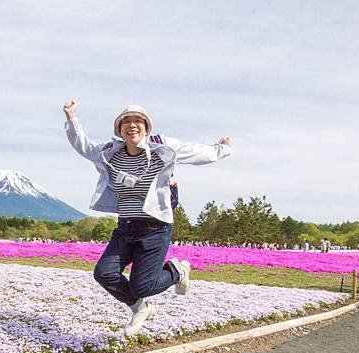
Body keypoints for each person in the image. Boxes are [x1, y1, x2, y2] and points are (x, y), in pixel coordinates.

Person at [63, 100, 232, 336]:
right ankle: (140, 307)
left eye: (137, 121)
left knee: (142, 285)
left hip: (155, 228)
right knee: (104, 273)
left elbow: (195, 151)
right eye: (126, 122)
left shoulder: (162, 146)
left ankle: (177, 271)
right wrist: (72, 120)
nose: (132, 126)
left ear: (146, 127)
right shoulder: (110, 152)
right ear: (119, 129)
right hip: (126, 227)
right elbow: (83, 146)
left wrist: (221, 149)